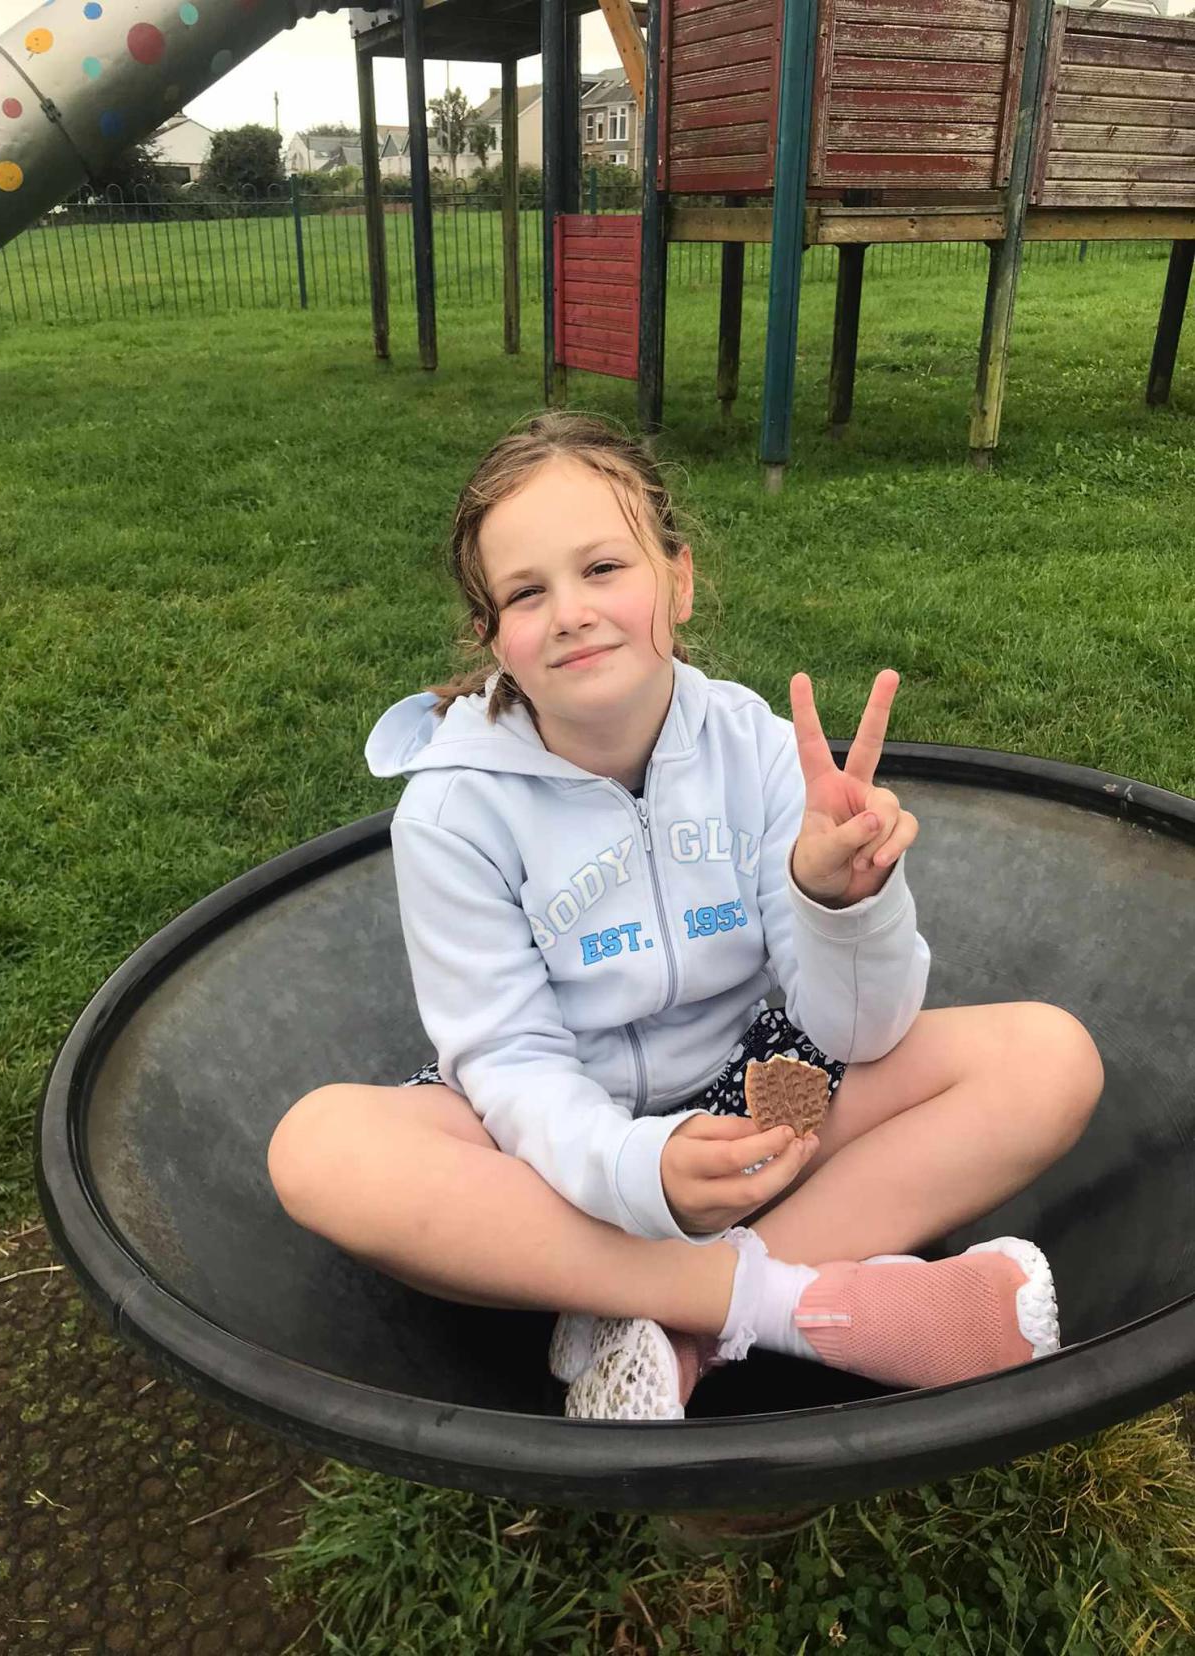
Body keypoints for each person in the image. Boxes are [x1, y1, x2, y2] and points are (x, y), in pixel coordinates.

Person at [267, 413, 1103, 1420]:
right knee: (320, 1149)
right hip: (551, 1151)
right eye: (528, 592)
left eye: (604, 567)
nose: (571, 612)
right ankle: (791, 1304)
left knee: (1049, 1061)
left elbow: (856, 1031)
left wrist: (841, 903)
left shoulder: (749, 747)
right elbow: (509, 1060)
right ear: (491, 635)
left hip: (762, 1107)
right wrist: (633, 1173)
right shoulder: (453, 808)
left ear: (680, 580)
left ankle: (644, 1318)